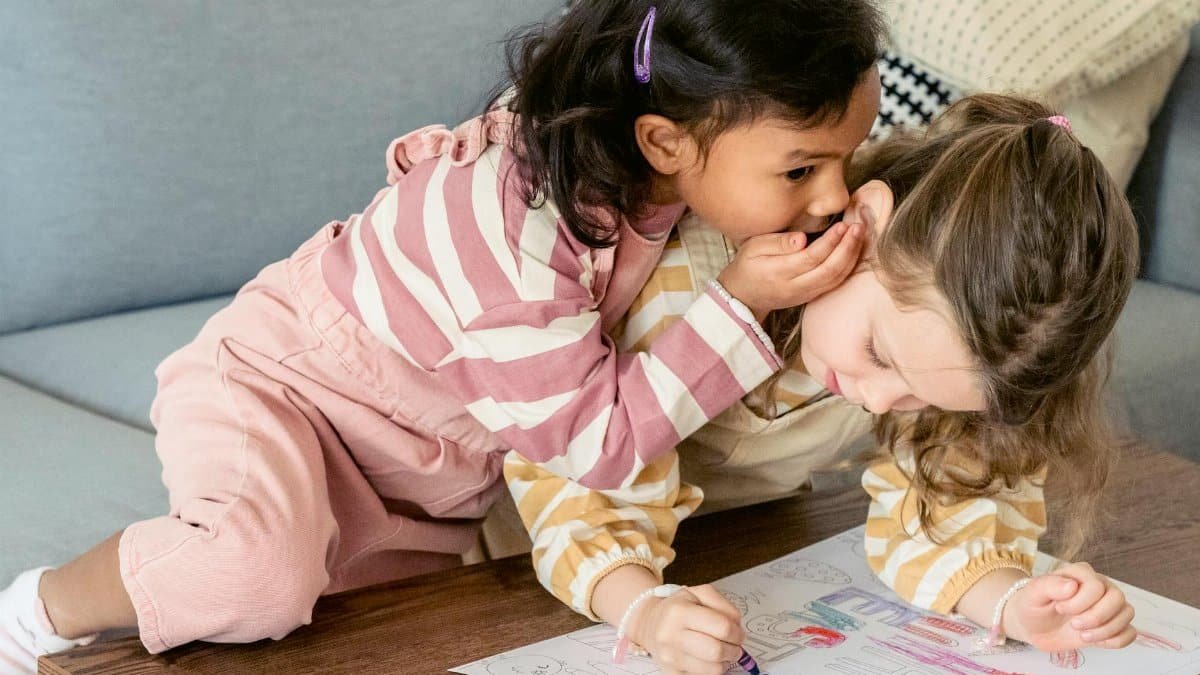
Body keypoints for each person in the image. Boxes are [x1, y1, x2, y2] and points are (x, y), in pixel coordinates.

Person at [0, 1, 887, 671]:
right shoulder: (510, 222)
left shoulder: (660, 176)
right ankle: (38, 608)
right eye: (802, 168)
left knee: (371, 635)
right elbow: (592, 443)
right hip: (287, 392)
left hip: (428, 480)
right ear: (664, 140)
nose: (832, 196)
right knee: (247, 573)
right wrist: (737, 300)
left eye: (847, 158)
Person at [504, 94, 1141, 674]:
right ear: (862, 224)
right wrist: (642, 609)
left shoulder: (941, 345)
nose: (884, 399)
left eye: (924, 397)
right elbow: (583, 478)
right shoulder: (678, 282)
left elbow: (948, 507)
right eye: (878, 355)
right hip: (522, 566)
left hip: (739, 556)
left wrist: (1014, 602)